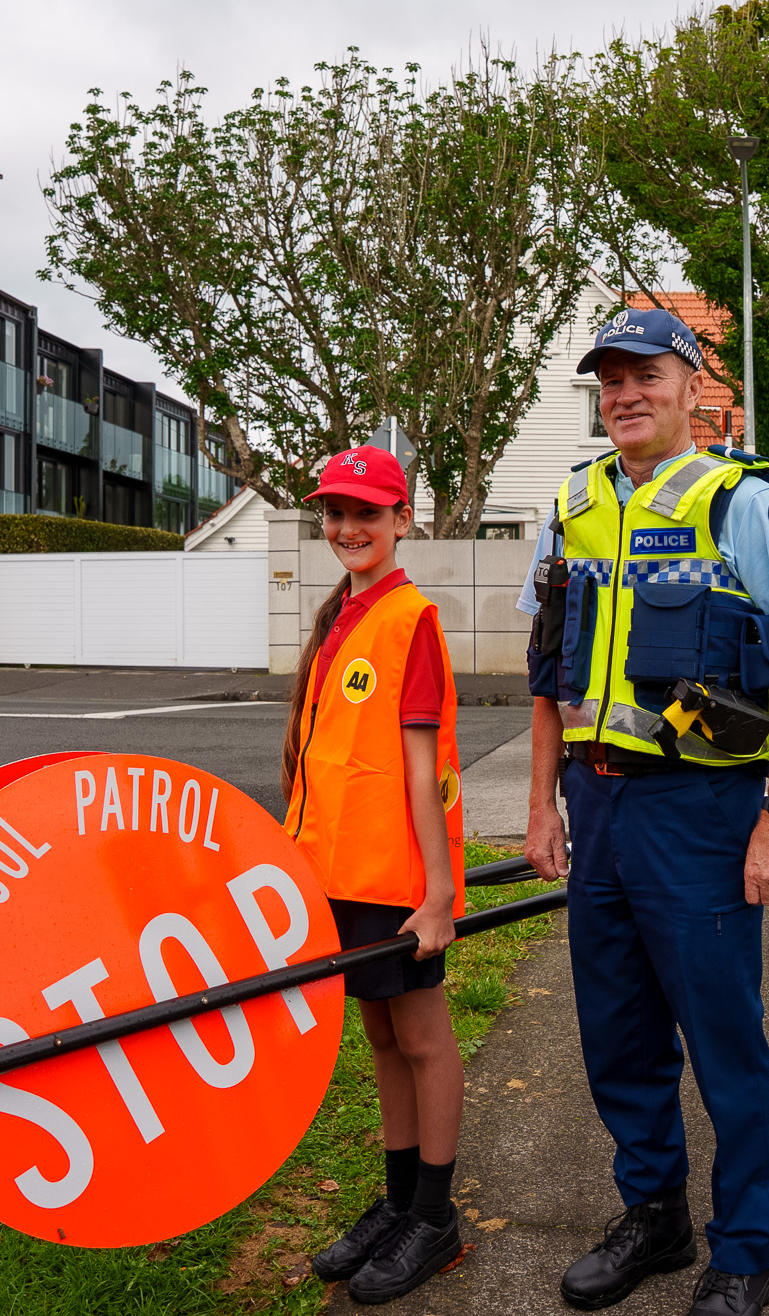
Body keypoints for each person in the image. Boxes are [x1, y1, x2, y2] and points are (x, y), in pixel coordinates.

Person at [517, 307, 769, 1316]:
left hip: (699, 808)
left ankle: (743, 1250)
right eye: (608, 377)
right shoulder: (569, 503)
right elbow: (543, 674)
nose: (624, 392)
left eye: (645, 373)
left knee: (722, 1037)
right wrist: (539, 808)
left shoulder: (739, 500)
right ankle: (653, 1216)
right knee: (617, 1034)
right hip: (594, 804)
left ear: (695, 386)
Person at [283, 445, 470, 1303]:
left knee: (425, 1041)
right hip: (339, 874)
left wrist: (436, 896)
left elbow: (423, 771)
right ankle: (398, 1204)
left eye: (367, 512)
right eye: (336, 513)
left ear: (402, 519)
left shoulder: (409, 619)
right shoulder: (340, 620)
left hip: (397, 880)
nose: (349, 527)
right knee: (383, 1040)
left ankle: (435, 1217)